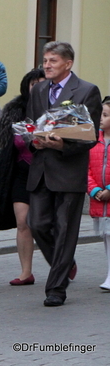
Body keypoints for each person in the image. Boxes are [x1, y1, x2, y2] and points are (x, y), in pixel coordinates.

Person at [26, 41, 102, 306]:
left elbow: (90, 136)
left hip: (68, 170)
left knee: (65, 228)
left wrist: (64, 145)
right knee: (37, 224)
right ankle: (64, 261)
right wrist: (31, 140)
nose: (46, 65)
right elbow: (30, 124)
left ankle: (56, 288)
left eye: (52, 61)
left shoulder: (86, 91)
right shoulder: (38, 91)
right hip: (41, 170)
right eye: (45, 60)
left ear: (67, 64)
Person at [0, 68, 45, 285]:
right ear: (27, 86)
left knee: (44, 224)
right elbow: (5, 144)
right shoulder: (14, 110)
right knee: (23, 222)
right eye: (34, 84)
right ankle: (26, 272)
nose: (38, 88)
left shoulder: (56, 111)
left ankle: (62, 259)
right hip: (21, 171)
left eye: (43, 83)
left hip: (47, 173)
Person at [87, 97, 110, 291]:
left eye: (105, 115)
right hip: (99, 199)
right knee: (107, 237)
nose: (100, 118)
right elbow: (85, 169)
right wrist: (94, 189)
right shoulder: (94, 140)